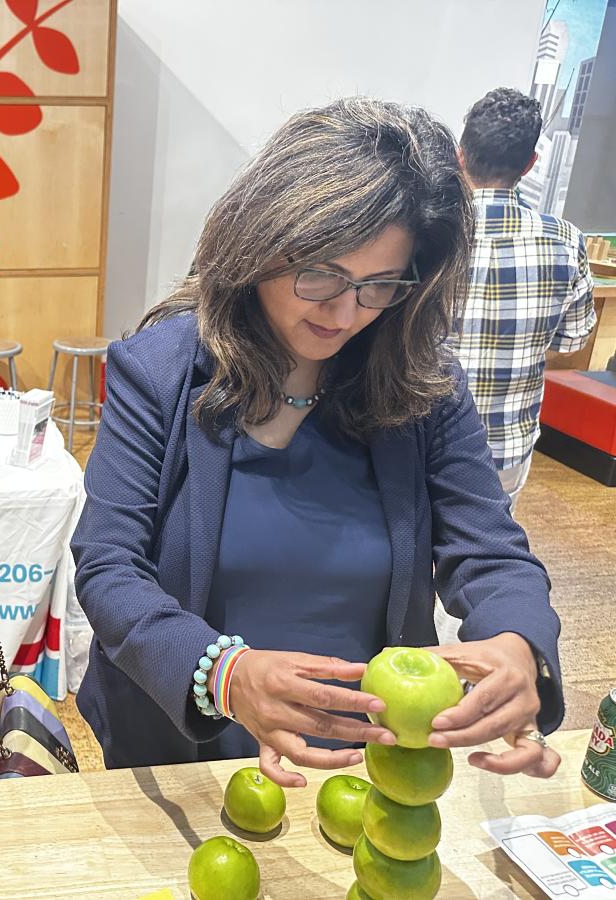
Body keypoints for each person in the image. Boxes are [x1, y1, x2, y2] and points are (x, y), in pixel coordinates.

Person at [71, 98, 563, 788]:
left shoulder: (424, 385)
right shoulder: (159, 369)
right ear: (259, 236)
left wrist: (516, 645)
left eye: (379, 285)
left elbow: (490, 549)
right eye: (321, 274)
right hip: (186, 747)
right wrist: (223, 672)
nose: (344, 313)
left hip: (366, 754)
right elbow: (107, 566)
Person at [449, 87, 596, 506]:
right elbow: (572, 341)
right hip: (505, 445)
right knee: (490, 552)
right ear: (530, 164)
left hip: (422, 436)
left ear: (460, 155)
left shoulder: (429, 235)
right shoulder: (567, 241)